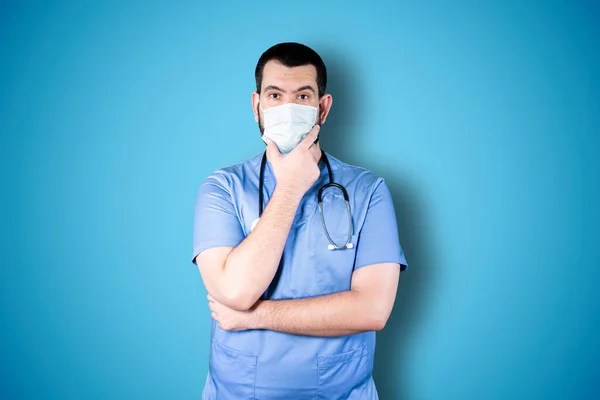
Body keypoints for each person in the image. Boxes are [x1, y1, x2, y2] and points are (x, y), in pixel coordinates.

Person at [191, 42, 408, 399]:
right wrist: (291, 186)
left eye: (302, 96)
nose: (288, 108)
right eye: (275, 95)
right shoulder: (222, 188)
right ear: (257, 105)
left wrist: (254, 317)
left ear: (322, 108)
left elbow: (372, 309)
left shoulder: (368, 191)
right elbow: (235, 291)